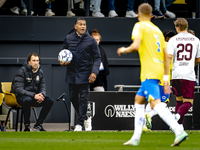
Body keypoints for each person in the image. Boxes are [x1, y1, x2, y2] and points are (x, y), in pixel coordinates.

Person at [117, 3, 188, 146]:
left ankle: (178, 130)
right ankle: (136, 137)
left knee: (156, 103)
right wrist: (166, 78)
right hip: (159, 71)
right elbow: (167, 56)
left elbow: (136, 46)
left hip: (149, 72)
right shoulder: (157, 30)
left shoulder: (140, 26)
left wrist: (124, 50)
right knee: (138, 100)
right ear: (151, 15)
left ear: (138, 14)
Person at [59, 18, 101, 131]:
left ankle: (79, 123)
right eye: (80, 24)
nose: (83, 26)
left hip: (85, 74)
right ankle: (86, 118)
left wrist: (94, 72)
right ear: (75, 26)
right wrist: (62, 62)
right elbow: (62, 54)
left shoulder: (91, 40)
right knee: (73, 98)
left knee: (83, 98)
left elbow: (97, 58)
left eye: (84, 24)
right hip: (71, 74)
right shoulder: (68, 38)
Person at [167, 18, 200, 127]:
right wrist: (191, 65)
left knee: (179, 100)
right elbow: (198, 59)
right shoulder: (195, 40)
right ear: (186, 26)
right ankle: (177, 117)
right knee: (188, 102)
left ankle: (178, 126)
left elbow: (169, 57)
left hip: (176, 74)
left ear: (177, 27)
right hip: (188, 74)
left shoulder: (173, 40)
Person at [11, 53, 54, 131]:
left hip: (33, 97)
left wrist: (42, 95)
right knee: (27, 100)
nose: (36, 63)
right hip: (20, 98)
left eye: (37, 60)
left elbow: (42, 87)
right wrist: (34, 95)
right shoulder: (21, 71)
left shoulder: (40, 72)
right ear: (29, 62)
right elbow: (18, 89)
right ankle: (27, 126)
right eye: (33, 60)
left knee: (49, 101)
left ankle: (38, 125)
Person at [143, 30, 176, 132]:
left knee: (152, 102)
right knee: (163, 102)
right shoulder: (170, 47)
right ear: (168, 39)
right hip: (163, 79)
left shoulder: (155, 46)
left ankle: (144, 125)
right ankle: (149, 115)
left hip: (153, 77)